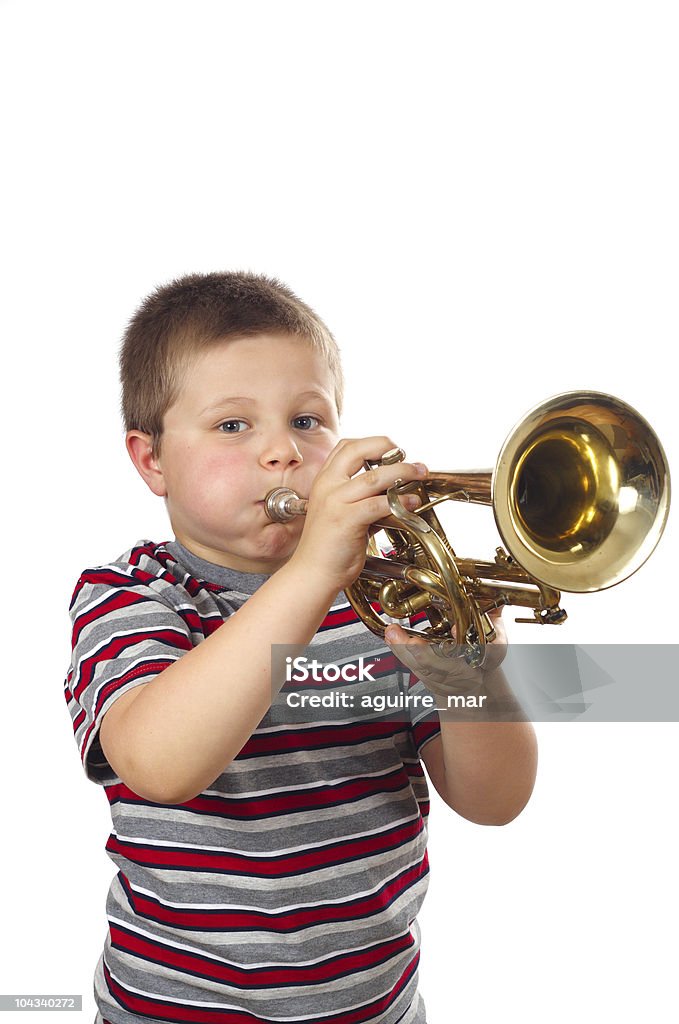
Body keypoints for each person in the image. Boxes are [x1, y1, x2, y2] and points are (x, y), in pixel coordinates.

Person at [64, 271, 537, 1024]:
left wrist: (465, 675)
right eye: (231, 427)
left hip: (373, 1009)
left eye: (309, 421)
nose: (282, 452)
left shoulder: (391, 606)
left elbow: (494, 801)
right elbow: (161, 764)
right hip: (172, 1010)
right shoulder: (132, 594)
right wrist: (314, 570)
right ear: (151, 459)